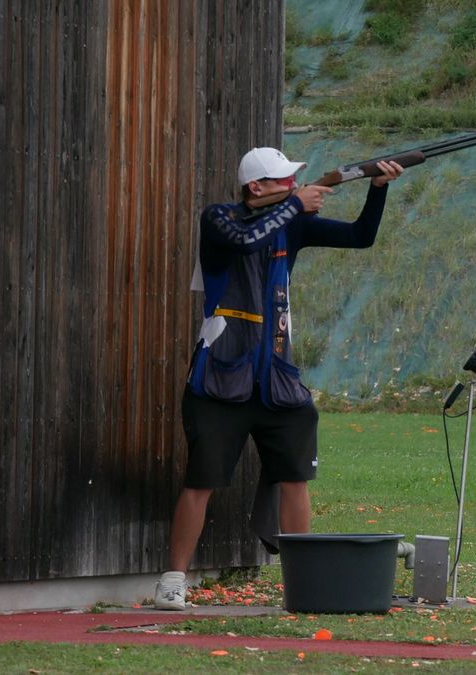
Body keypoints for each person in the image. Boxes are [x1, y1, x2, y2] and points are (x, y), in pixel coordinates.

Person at [154, 147, 404, 610]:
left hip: (276, 379)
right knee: (201, 481)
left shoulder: (292, 221)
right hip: (220, 377)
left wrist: (377, 190)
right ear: (256, 187)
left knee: (295, 478)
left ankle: (303, 583)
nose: (294, 186)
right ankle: (172, 581)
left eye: (294, 182)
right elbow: (245, 240)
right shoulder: (219, 218)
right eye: (284, 181)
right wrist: (295, 204)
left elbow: (361, 237)